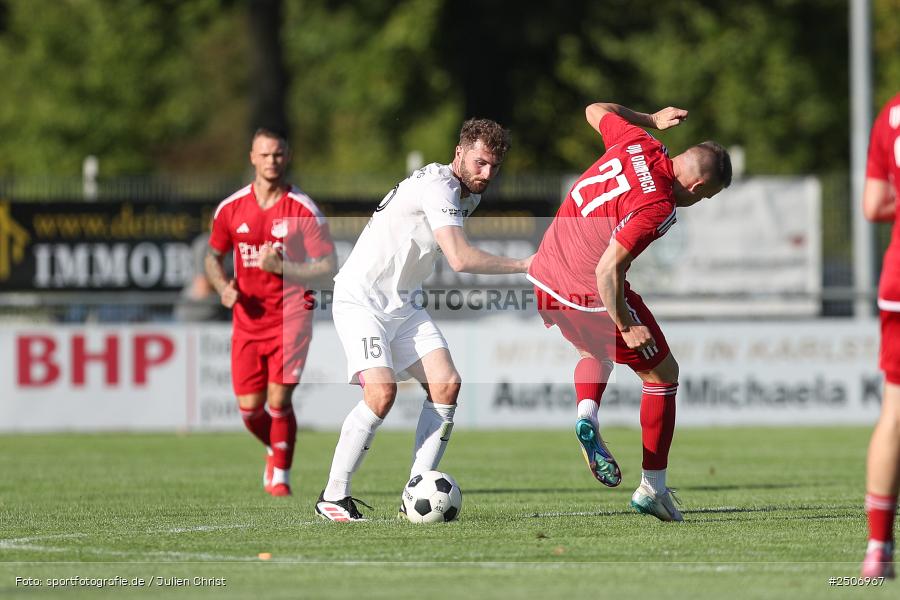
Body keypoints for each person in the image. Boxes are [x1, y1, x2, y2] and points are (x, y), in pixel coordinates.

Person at [315, 118, 532, 521]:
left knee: (446, 384)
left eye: (494, 167)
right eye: (480, 163)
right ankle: (333, 495)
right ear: (459, 153)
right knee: (381, 394)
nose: (486, 174)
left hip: (403, 306)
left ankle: (414, 493)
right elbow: (461, 259)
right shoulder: (440, 188)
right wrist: (524, 264)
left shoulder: (467, 194)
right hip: (361, 300)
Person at [527, 101, 731, 522]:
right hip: (588, 286)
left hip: (545, 275)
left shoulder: (639, 141)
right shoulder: (658, 205)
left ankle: (586, 413)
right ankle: (652, 489)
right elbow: (607, 271)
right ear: (697, 188)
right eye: (706, 197)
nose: (700, 201)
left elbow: (593, 108)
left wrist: (651, 120)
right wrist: (626, 323)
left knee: (595, 353)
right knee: (663, 375)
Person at [206, 128, 336, 497]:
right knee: (250, 410)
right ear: (252, 158)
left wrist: (284, 269)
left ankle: (281, 473)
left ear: (287, 156)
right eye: (264, 155)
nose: (271, 161)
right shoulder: (231, 209)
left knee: (278, 401)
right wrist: (222, 287)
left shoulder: (302, 209)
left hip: (291, 315)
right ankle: (273, 447)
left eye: (277, 154)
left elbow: (328, 266)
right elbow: (212, 258)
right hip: (247, 318)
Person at [861, 92, 900, 579]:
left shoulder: (890, 112)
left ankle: (877, 550)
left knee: (894, 412)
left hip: (899, 279)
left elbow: (873, 204)